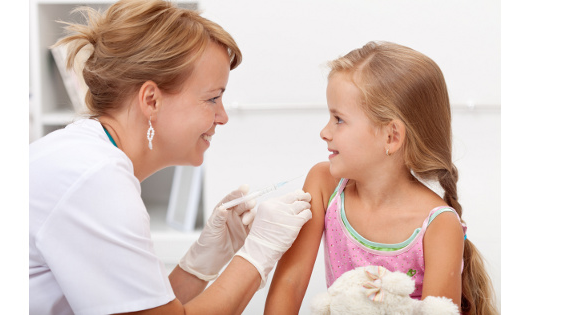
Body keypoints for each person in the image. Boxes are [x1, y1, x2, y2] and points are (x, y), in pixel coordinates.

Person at [29, 1, 313, 314]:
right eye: (212, 98)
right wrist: (258, 254)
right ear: (151, 100)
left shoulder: (87, 156)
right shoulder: (95, 179)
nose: (222, 117)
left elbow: (144, 308)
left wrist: (201, 262)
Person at [264, 41, 498, 315]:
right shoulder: (323, 184)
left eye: (338, 119)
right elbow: (289, 284)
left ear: (391, 136)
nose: (324, 132)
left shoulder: (438, 225)